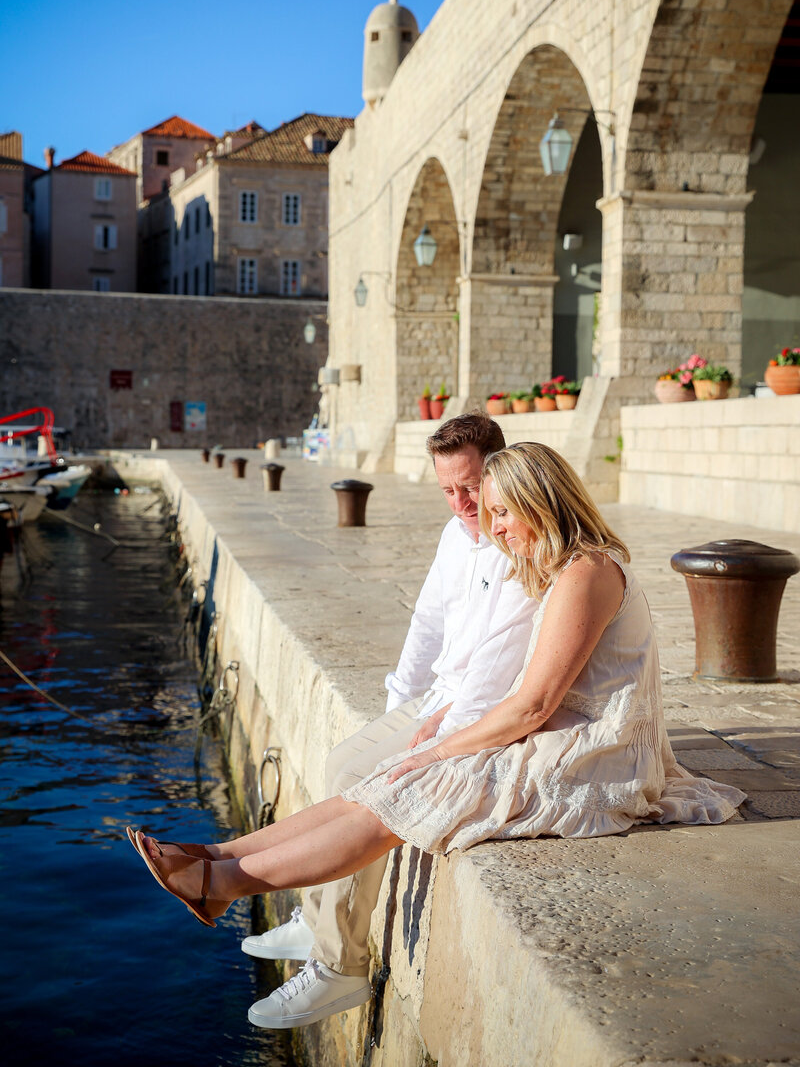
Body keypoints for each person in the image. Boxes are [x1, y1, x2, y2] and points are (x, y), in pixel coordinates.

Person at [129, 441, 745, 1030]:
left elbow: (532, 705)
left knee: (410, 788)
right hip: (563, 738)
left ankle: (225, 884)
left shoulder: (587, 572)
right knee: (380, 782)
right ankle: (217, 858)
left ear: (541, 502)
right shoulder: (569, 569)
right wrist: (440, 739)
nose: (496, 527)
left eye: (504, 511)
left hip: (593, 757)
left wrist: (444, 746)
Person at [132, 413, 539, 1028]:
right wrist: (398, 706)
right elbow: (427, 625)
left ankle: (338, 964)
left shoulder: (516, 546)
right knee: (344, 759)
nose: (462, 504)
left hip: (472, 712)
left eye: (473, 487)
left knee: (370, 770)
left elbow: (501, 671)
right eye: (448, 491)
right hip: (440, 700)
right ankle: (301, 910)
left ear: (501, 473)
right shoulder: (456, 537)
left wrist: (434, 735)